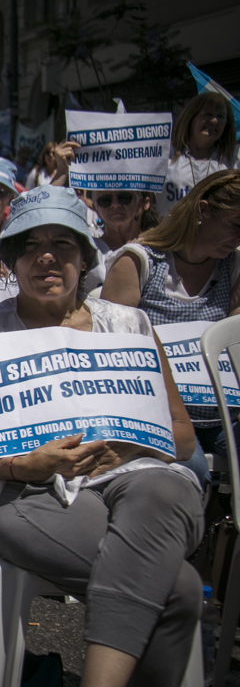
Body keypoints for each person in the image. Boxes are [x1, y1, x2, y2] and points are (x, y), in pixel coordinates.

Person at [0, 185, 201, 687]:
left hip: (135, 480)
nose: (46, 256)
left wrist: (125, 443)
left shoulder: (129, 326)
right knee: (176, 588)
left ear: (86, 257)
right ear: (10, 259)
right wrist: (24, 466)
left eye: (62, 244)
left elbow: (181, 439)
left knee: (164, 486)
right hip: (27, 493)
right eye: (30, 245)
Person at [101, 170, 240, 470]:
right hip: (161, 417)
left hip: (222, 415)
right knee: (191, 468)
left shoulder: (234, 265)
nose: (239, 238)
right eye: (236, 225)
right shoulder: (138, 262)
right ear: (203, 211)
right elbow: (109, 350)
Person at [161, 93, 236, 218]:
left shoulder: (233, 161)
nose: (214, 120)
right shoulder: (166, 155)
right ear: (191, 118)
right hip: (171, 229)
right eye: (208, 114)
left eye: (221, 116)